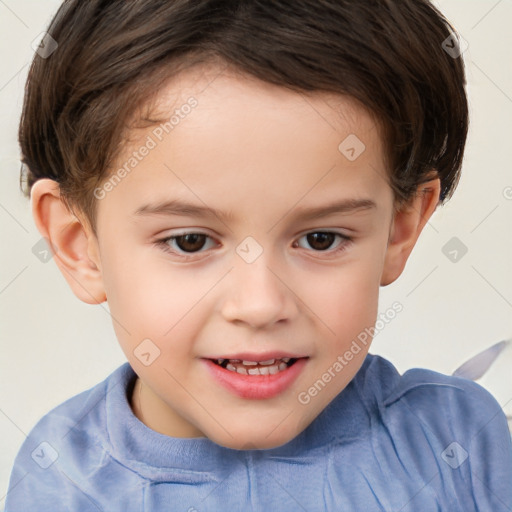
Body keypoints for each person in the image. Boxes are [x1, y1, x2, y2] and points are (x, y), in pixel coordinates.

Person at [5, 0, 512, 510]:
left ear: (399, 230)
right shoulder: (62, 482)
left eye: (321, 239)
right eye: (190, 241)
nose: (260, 304)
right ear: (78, 244)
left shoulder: (462, 444)